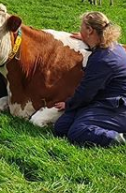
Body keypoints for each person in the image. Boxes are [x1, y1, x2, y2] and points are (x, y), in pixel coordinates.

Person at [53, 11, 126, 146]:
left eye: (82, 26)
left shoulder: (103, 60)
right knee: (61, 127)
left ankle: (120, 138)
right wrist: (85, 38)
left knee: (78, 131)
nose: (79, 29)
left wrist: (68, 104)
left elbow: (86, 93)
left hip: (116, 106)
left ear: (90, 30)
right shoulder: (110, 45)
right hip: (101, 99)